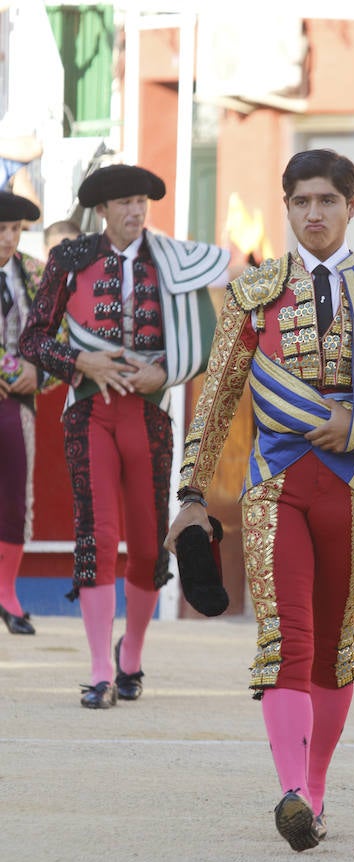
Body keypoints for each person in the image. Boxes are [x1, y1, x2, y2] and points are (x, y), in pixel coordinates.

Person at [164, 149, 354, 851]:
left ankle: (315, 794)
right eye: (301, 202)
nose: (314, 214)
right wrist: (192, 493)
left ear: (351, 205)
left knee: (333, 645)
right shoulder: (254, 291)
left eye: (327, 200)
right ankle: (291, 791)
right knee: (286, 638)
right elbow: (217, 399)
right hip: (276, 484)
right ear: (287, 207)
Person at [19, 163, 229, 707]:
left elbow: (206, 342)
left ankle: (130, 654)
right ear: (103, 210)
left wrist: (166, 372)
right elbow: (33, 340)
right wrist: (80, 360)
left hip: (149, 414)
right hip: (89, 412)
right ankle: (99, 672)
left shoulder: (171, 260)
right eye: (126, 203)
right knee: (95, 535)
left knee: (148, 541)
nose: (137, 211)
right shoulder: (69, 259)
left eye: (142, 202)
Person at [0, 191, 46, 635]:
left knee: (16, 495)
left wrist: (39, 370)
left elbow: (57, 333)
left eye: (14, 229)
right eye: (1, 230)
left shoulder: (34, 272)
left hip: (16, 398)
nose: (8, 238)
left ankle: (6, 590)